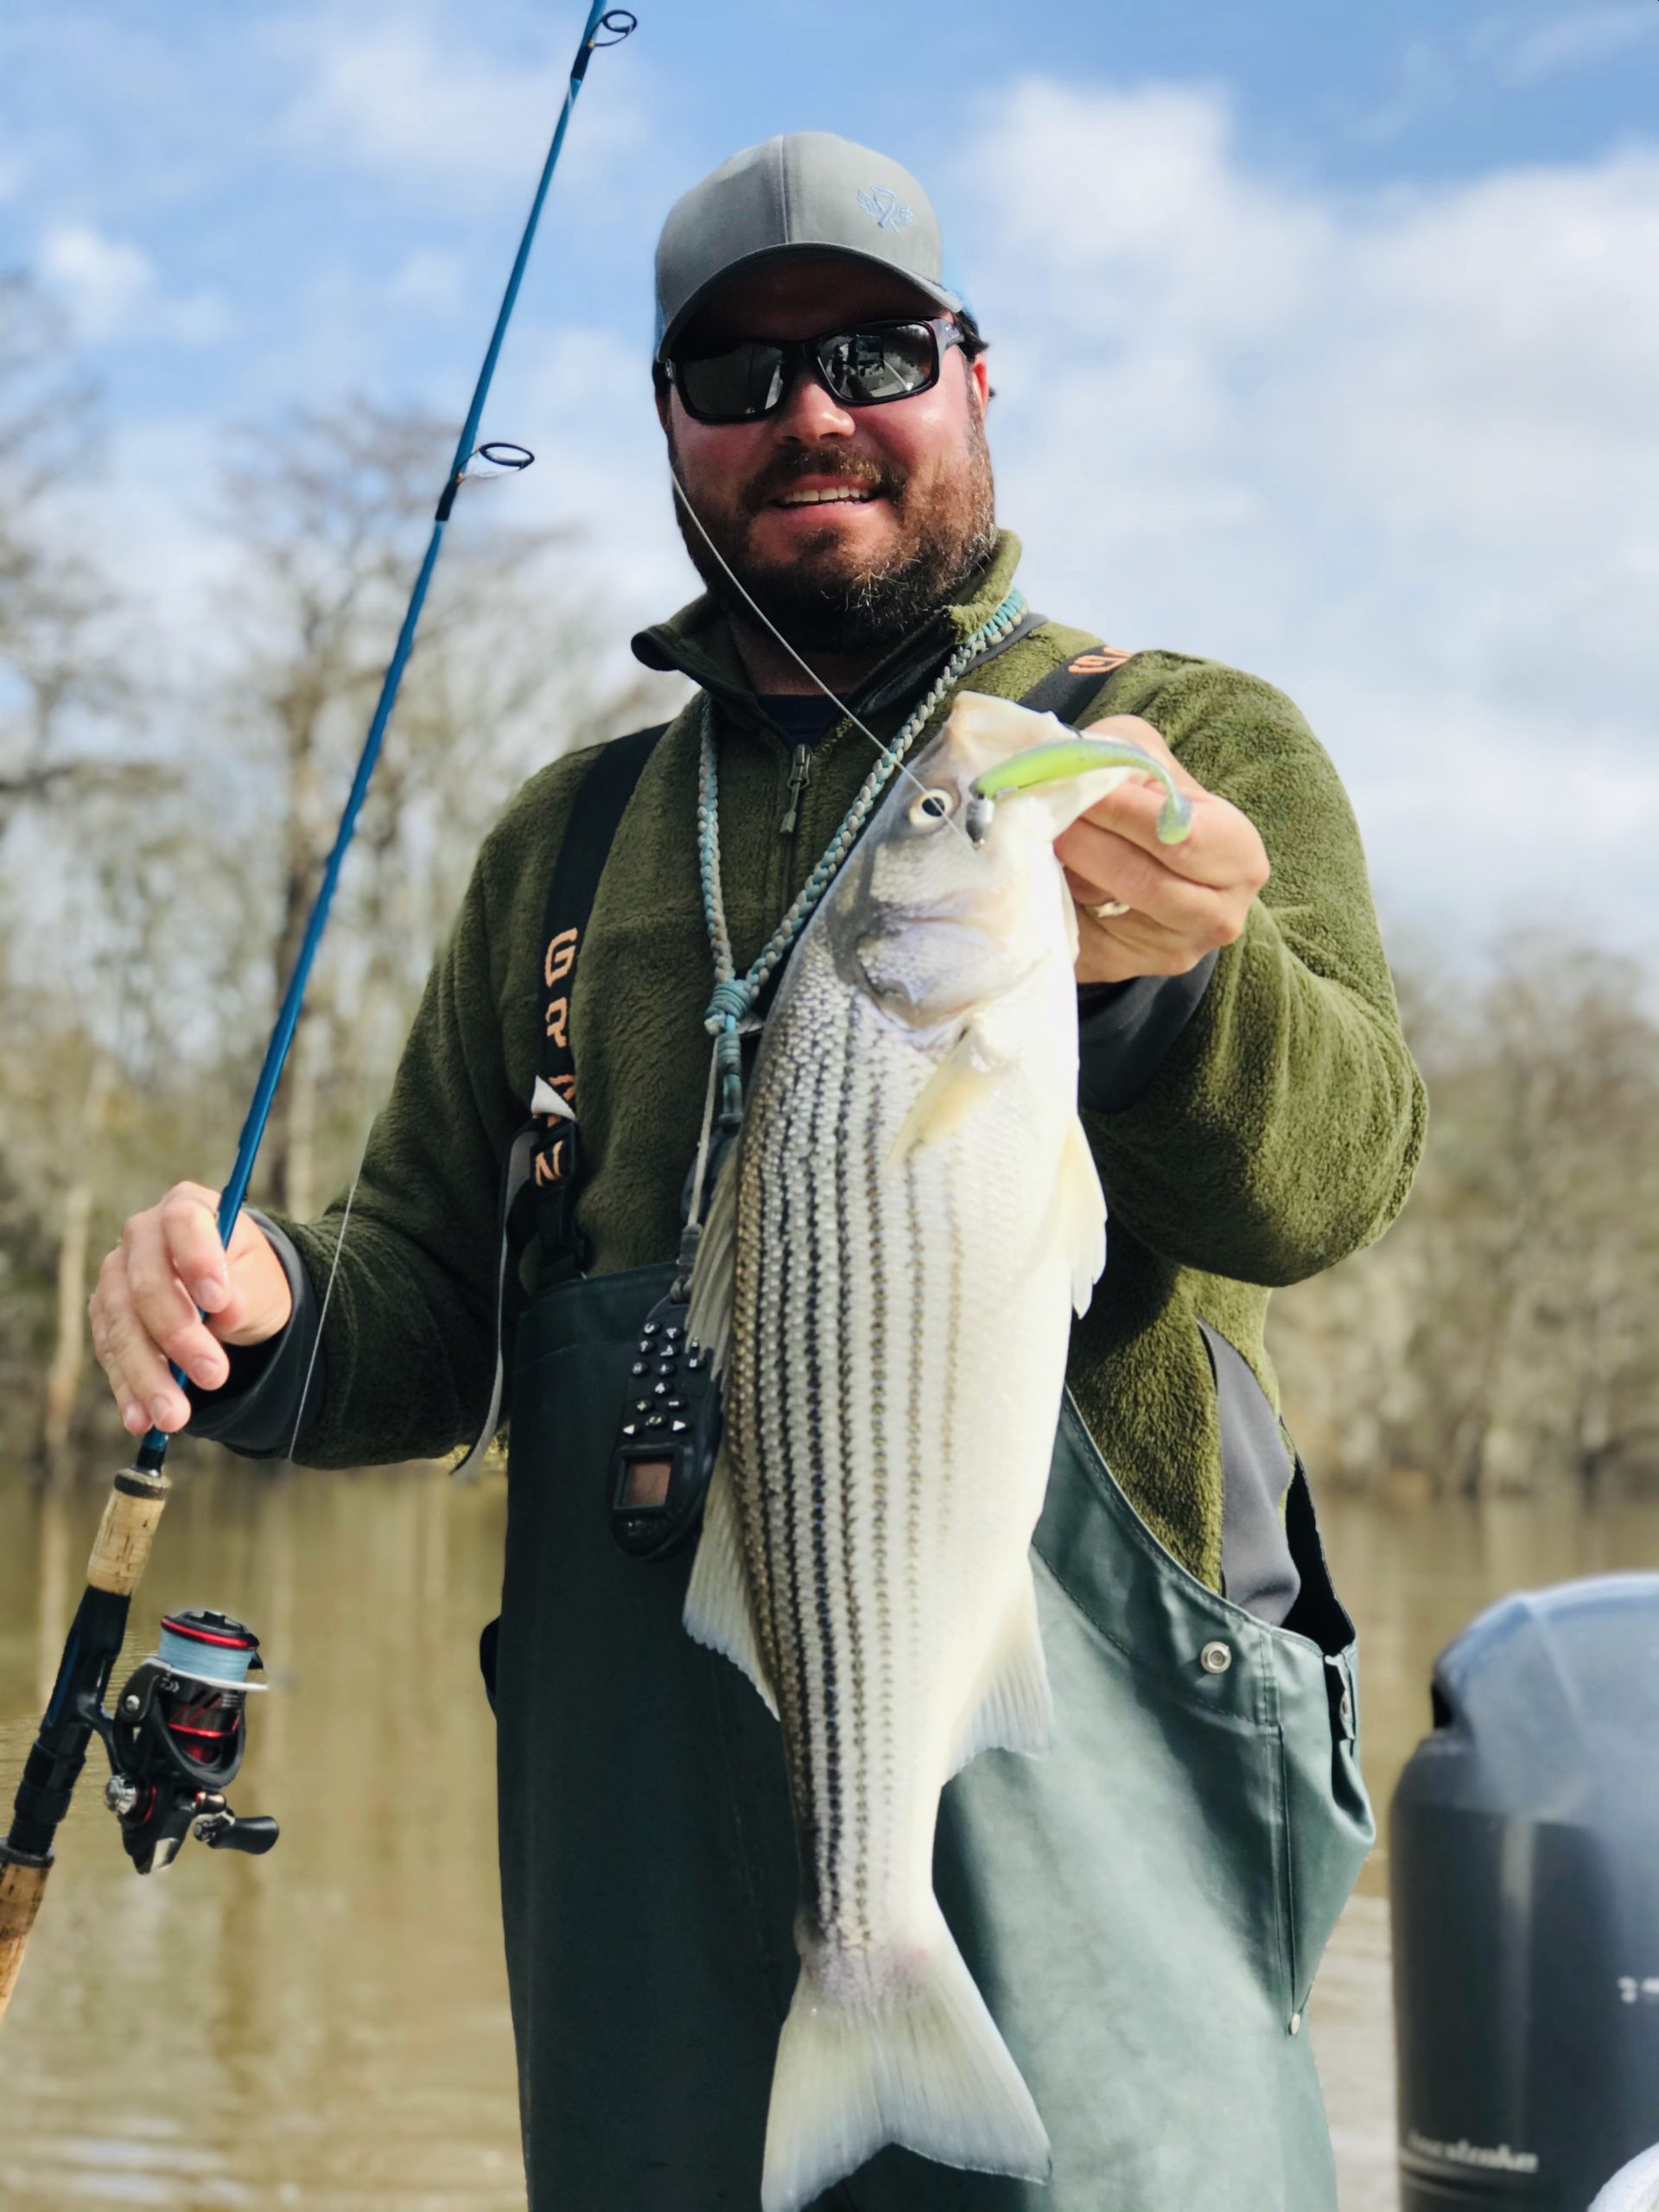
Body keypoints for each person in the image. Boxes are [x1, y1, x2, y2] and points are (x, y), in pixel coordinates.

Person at [90, 132, 1425, 2212]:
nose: (811, 412)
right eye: (738, 378)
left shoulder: (1167, 740)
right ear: (673, 435)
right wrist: (265, 1311)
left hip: (1103, 1857)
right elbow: (420, 1315)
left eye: (873, 349)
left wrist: (1166, 992)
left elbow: (1333, 1177)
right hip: (643, 1919)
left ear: (976, 375)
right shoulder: (565, 839)